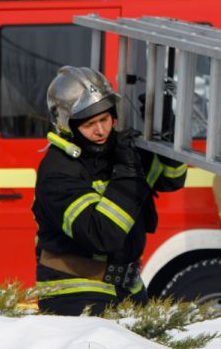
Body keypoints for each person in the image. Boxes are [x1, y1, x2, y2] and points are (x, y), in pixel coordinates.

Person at [33, 66, 187, 316]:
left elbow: (171, 180)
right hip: (75, 290)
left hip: (127, 285)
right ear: (67, 125)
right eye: (89, 124)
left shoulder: (118, 149)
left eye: (105, 119)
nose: (101, 131)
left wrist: (168, 134)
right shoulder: (58, 171)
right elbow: (101, 236)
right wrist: (127, 172)